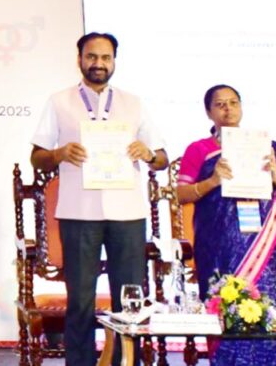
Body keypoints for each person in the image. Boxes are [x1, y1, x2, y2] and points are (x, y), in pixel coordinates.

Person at [29, 32, 168, 366]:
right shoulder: (59, 102)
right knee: (80, 301)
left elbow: (162, 159)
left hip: (127, 213)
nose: (98, 64)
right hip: (79, 213)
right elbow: (37, 157)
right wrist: (60, 153)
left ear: (114, 61)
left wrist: (148, 154)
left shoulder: (134, 103)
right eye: (91, 57)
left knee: (128, 300)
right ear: (79, 59)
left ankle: (124, 362)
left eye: (105, 58)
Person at [176, 84, 276, 365]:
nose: (228, 110)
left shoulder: (266, 147)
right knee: (224, 305)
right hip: (218, 245)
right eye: (220, 104)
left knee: (268, 308)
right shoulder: (198, 149)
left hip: (265, 245)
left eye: (233, 103)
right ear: (208, 112)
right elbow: (181, 194)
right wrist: (213, 181)